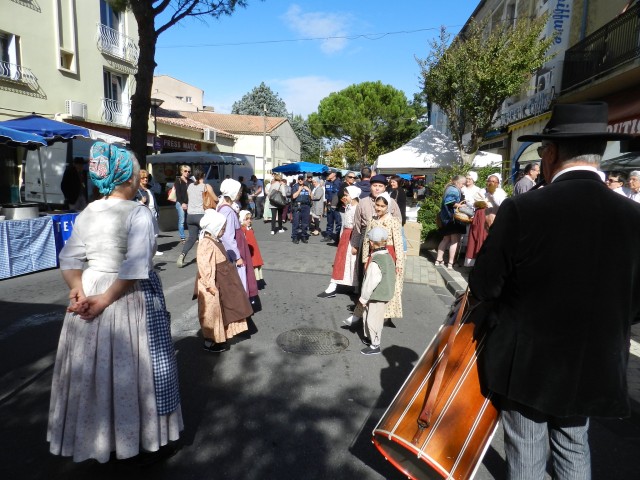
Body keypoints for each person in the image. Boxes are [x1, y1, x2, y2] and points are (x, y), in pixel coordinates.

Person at [469, 101, 640, 480]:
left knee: (527, 451)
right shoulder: (634, 217)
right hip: (595, 361)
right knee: (575, 445)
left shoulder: (524, 209)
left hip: (528, 363)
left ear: (549, 153)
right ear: (598, 154)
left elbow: (484, 285)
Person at [48, 141, 183, 463]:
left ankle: (97, 437)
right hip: (125, 295)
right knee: (135, 365)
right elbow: (135, 267)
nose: (141, 178)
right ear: (129, 178)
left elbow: (68, 258)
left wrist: (77, 289)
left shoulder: (89, 211)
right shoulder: (138, 212)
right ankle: (138, 436)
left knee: (93, 368)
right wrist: (105, 299)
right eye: (138, 173)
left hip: (92, 282)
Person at [195, 209, 252, 353]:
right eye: (222, 228)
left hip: (222, 278)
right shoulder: (206, 243)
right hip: (212, 282)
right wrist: (210, 284)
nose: (224, 231)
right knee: (211, 313)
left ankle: (220, 337)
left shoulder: (214, 240)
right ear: (214, 227)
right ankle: (211, 341)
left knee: (225, 308)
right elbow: (204, 265)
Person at [347, 191, 404, 326]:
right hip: (373, 255)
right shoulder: (372, 220)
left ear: (388, 207)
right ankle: (359, 314)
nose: (379, 208)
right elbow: (367, 239)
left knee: (386, 287)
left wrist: (399, 264)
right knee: (369, 285)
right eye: (377, 205)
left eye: (382, 206)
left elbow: (399, 244)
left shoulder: (393, 221)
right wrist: (365, 258)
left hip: (389, 256)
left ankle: (383, 316)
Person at [217, 179, 258, 301]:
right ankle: (240, 306)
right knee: (239, 279)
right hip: (236, 250)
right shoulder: (227, 211)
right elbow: (228, 237)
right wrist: (237, 256)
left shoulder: (225, 208)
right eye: (239, 191)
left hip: (237, 248)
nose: (240, 193)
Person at [358, 226, 397, 356]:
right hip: (384, 294)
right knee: (370, 316)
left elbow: (369, 283)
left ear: (371, 243)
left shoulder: (375, 262)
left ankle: (375, 345)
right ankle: (369, 338)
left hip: (377, 295)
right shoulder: (388, 257)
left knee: (373, 320)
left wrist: (363, 299)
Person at [318, 185, 361, 298]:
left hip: (351, 237)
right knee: (343, 261)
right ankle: (346, 285)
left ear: (353, 195)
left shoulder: (357, 208)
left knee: (350, 261)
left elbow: (357, 228)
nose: (344, 197)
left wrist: (355, 244)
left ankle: (353, 286)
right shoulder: (349, 207)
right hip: (346, 236)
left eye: (346, 195)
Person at [176, 167, 217, 268]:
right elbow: (215, 198)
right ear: (203, 175)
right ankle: (205, 258)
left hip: (190, 215)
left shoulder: (190, 186)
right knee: (206, 237)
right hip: (201, 215)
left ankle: (182, 255)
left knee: (191, 238)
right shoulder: (206, 186)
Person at [435, 175, 466, 269]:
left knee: (445, 239)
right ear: (457, 182)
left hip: (446, 218)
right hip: (452, 219)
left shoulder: (449, 188)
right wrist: (461, 206)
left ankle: (438, 259)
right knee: (454, 240)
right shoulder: (454, 190)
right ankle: (451, 263)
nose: (463, 186)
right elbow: (449, 202)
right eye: (462, 184)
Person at [239, 210, 265, 288]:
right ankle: (251, 283)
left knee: (256, 264)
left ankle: (257, 282)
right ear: (241, 219)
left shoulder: (250, 228)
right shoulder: (242, 229)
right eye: (246, 219)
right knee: (252, 266)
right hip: (249, 251)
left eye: (250, 218)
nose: (249, 221)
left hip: (254, 250)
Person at [174, 164, 193, 244]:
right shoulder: (178, 180)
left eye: (189, 171)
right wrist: (182, 203)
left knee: (190, 220)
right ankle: (182, 238)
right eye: (185, 171)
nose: (187, 173)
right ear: (181, 171)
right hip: (180, 203)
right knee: (182, 220)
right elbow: (178, 194)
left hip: (190, 203)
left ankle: (193, 236)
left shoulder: (191, 181)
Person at [291, 174, 312, 244]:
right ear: (297, 180)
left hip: (306, 206)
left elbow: (312, 197)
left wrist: (309, 191)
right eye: (299, 179)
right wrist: (299, 190)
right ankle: (295, 237)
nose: (300, 180)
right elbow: (293, 196)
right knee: (296, 223)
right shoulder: (295, 186)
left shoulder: (307, 186)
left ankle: (304, 236)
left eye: (302, 179)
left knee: (305, 223)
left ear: (304, 180)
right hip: (298, 206)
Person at [322, 171, 342, 242]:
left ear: (334, 174)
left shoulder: (339, 182)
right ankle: (328, 236)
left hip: (336, 206)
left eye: (330, 174)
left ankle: (337, 238)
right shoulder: (327, 182)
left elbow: (338, 194)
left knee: (338, 222)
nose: (328, 175)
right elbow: (326, 193)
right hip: (329, 205)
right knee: (329, 221)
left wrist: (334, 202)